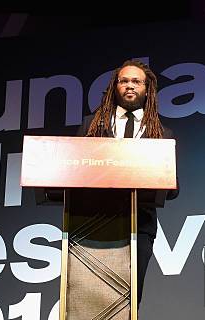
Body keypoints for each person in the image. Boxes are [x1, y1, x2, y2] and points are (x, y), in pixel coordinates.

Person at [77, 59, 179, 304]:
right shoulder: (91, 126)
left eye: (136, 81)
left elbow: (173, 188)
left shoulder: (161, 134)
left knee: (129, 303)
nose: (129, 86)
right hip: (92, 226)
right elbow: (74, 170)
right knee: (92, 302)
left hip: (139, 226)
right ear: (115, 86)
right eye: (124, 81)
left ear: (147, 89)